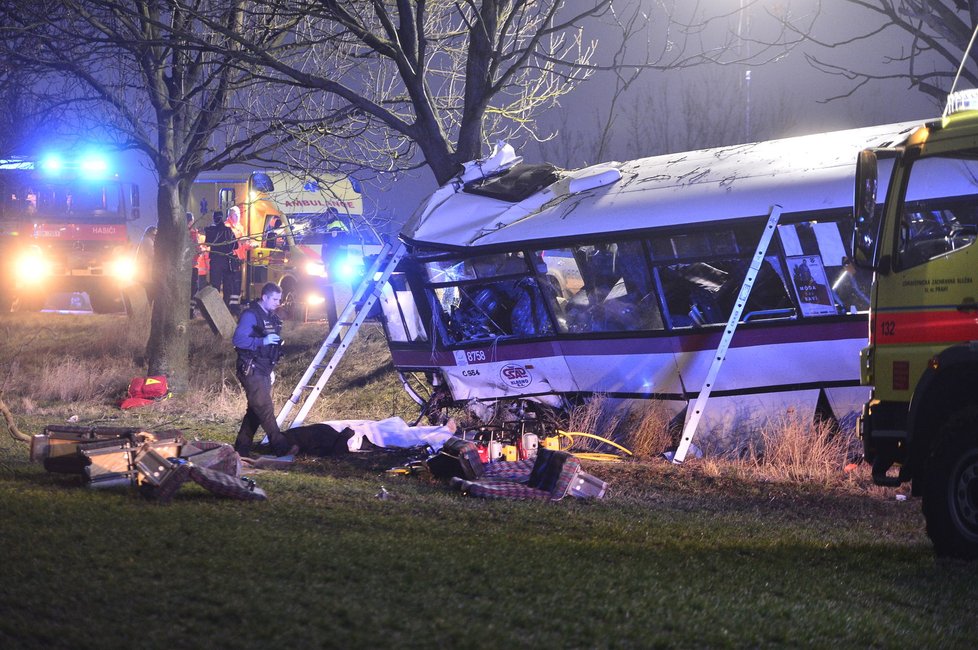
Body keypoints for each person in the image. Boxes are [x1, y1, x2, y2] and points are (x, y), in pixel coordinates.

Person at [232, 282, 297, 458]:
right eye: (275, 299)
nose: (278, 302)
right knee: (265, 408)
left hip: (264, 369)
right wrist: (263, 342)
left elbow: (269, 342)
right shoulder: (250, 315)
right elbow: (238, 340)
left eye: (279, 299)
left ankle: (241, 448)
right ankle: (281, 447)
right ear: (265, 297)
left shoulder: (270, 317)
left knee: (255, 409)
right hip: (251, 368)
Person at [204, 210, 235, 309]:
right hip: (226, 261)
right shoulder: (228, 230)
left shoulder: (210, 230)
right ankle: (225, 307)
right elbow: (236, 245)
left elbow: (207, 243)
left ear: (214, 218)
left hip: (215, 261)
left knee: (215, 285)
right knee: (227, 286)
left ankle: (215, 309)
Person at [225, 205, 252, 316]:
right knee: (230, 284)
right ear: (230, 215)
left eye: (239, 214)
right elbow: (230, 243)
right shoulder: (227, 226)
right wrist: (240, 243)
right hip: (231, 258)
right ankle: (229, 307)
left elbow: (243, 244)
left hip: (239, 258)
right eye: (236, 214)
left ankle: (235, 306)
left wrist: (249, 245)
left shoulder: (240, 227)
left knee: (237, 284)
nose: (238, 216)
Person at [135, 225, 157, 302]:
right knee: (149, 294)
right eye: (154, 235)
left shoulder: (145, 240)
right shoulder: (147, 241)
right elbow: (153, 255)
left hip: (144, 274)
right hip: (146, 274)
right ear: (150, 234)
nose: (155, 237)